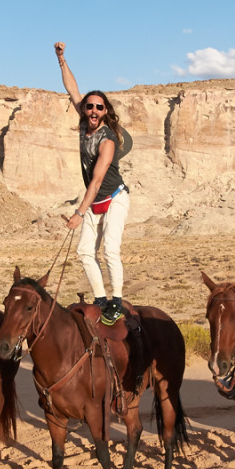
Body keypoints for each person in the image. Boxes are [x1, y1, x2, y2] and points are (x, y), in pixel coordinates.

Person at [55, 41, 133, 326]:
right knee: (85, 251)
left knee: (110, 249)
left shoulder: (108, 139)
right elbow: (72, 89)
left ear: (105, 110)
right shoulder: (83, 119)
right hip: (94, 200)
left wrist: (78, 212)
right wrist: (61, 59)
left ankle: (116, 301)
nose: (93, 110)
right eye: (89, 106)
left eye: (99, 107)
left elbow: (98, 179)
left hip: (113, 197)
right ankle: (99, 299)